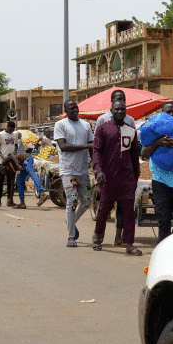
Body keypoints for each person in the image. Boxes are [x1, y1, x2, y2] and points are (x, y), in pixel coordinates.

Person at [92, 101, 142, 255]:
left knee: (128, 212)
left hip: (126, 179)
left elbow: (134, 156)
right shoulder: (102, 128)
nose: (120, 111)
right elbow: (96, 152)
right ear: (111, 110)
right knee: (104, 210)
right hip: (107, 178)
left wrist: (135, 176)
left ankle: (129, 244)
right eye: (117, 109)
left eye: (123, 109)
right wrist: (98, 171)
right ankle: (97, 238)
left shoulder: (131, 131)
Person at [141, 103, 173, 243]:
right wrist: (157, 143)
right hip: (161, 181)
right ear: (162, 115)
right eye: (168, 112)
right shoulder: (154, 130)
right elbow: (143, 153)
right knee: (163, 219)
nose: (171, 115)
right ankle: (163, 249)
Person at [54, 100, 94, 247]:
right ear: (66, 110)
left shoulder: (85, 125)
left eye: (76, 107)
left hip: (83, 170)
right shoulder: (61, 125)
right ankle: (71, 236)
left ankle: (69, 220)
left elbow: (92, 147)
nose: (74, 110)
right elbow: (63, 146)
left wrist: (95, 164)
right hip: (68, 170)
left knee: (87, 201)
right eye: (71, 108)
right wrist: (86, 146)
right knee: (72, 201)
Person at [0, 122, 19, 207]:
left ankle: (10, 200)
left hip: (12, 162)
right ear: (7, 127)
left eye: (13, 130)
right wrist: (2, 157)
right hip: (2, 162)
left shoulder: (15, 134)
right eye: (10, 129)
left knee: (11, 181)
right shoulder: (0, 134)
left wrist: (15, 152)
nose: (11, 131)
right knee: (0, 180)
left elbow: (16, 145)